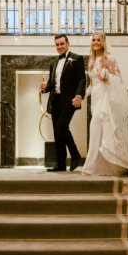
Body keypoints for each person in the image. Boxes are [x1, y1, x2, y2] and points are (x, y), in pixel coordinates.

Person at [82, 32, 128, 176]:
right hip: (95, 98)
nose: (95, 42)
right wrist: (83, 96)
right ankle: (97, 166)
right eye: (93, 40)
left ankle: (89, 167)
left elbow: (118, 78)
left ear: (103, 42)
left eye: (98, 40)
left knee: (99, 128)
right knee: (96, 130)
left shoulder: (109, 59)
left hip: (105, 97)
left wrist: (107, 75)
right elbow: (91, 84)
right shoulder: (91, 61)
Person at [40, 34, 86, 172]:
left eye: (62, 44)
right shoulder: (53, 63)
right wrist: (45, 88)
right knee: (57, 131)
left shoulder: (77, 59)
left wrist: (79, 95)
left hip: (69, 100)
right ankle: (60, 164)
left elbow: (82, 79)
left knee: (61, 127)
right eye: (57, 44)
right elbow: (53, 84)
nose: (59, 47)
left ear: (68, 44)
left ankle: (75, 155)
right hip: (56, 101)